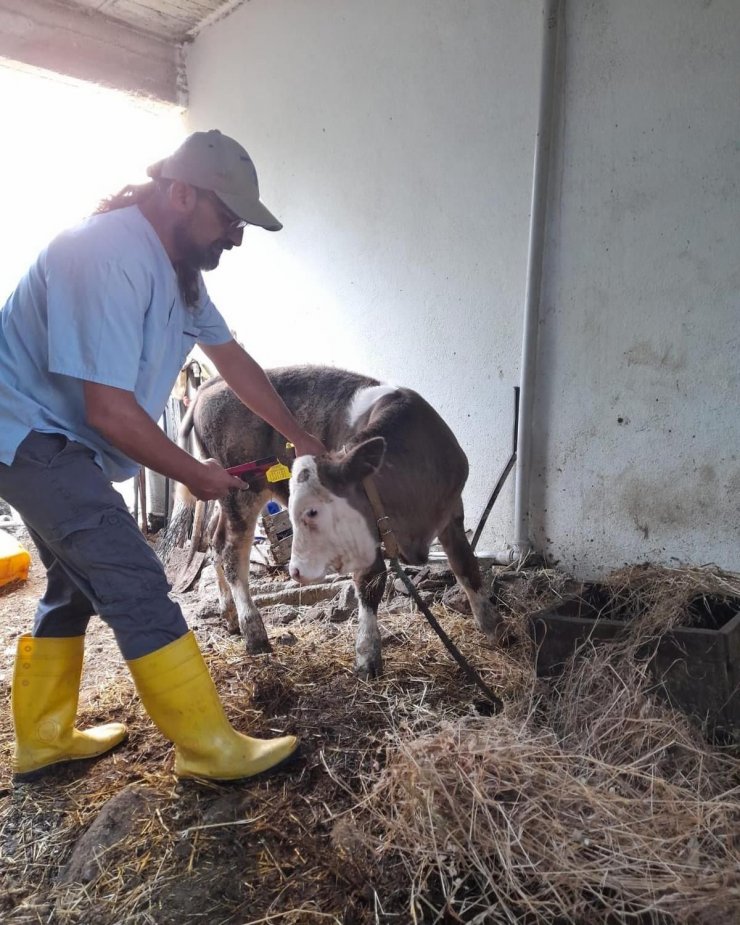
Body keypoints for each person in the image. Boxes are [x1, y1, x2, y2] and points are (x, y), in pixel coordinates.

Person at [0, 129, 326, 783]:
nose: (235, 237)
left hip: (56, 439)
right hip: (27, 435)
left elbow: (234, 361)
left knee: (72, 580)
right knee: (133, 573)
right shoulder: (105, 255)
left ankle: (43, 738)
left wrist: (300, 436)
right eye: (228, 217)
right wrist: (199, 475)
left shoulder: (178, 273)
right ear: (181, 193)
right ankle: (209, 749)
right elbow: (110, 411)